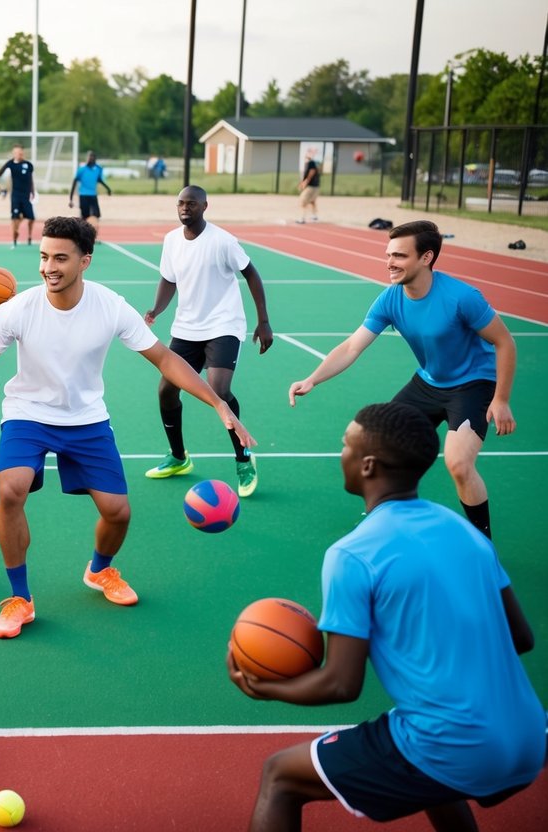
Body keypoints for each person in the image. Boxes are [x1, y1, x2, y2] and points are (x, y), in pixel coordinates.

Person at [227, 401, 542, 832]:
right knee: (417, 746)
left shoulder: (352, 555)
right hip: (527, 736)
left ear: (368, 465)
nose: (340, 454)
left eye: (345, 446)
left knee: (280, 775)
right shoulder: (463, 530)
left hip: (453, 745)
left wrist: (264, 688)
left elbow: (341, 683)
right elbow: (521, 637)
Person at [0, 217, 254, 639]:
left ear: (85, 261)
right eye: (44, 256)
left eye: (60, 258)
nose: (49, 266)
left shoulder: (110, 306)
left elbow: (164, 359)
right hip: (28, 413)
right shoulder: (19, 308)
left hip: (85, 419)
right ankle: (19, 599)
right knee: (11, 490)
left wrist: (216, 403)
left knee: (117, 513)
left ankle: (99, 570)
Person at [289, 220, 516, 539]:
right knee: (377, 442)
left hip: (472, 385)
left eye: (399, 256)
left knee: (459, 464)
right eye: (388, 254)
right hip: (427, 383)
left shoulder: (462, 297)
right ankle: (381, 514)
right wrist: (313, 379)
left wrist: (501, 399)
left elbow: (505, 342)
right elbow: (353, 346)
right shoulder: (390, 299)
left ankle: (482, 541)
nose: (390, 263)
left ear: (426, 258)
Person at [143, 185, 272, 497]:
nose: (185, 208)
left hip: (223, 324)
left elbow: (252, 274)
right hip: (186, 328)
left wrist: (263, 321)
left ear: (204, 206)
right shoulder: (171, 240)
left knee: (220, 390)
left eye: (191, 204)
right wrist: (156, 310)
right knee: (166, 390)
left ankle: (243, 458)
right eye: (180, 204)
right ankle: (178, 457)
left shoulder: (223, 241)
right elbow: (168, 280)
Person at [0, 144, 35, 248]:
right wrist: (1, 189)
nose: (19, 154)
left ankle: (30, 237)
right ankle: (14, 239)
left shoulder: (28, 165)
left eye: (21, 152)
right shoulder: (10, 164)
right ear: (14, 154)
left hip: (26, 196)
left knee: (31, 218)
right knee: (15, 218)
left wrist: (33, 192)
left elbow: (31, 179)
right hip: (16, 196)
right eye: (17, 153)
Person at [68, 151, 112, 230]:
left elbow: (99, 180)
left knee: (96, 215)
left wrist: (108, 189)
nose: (90, 159)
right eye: (89, 157)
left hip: (93, 195)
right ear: (87, 159)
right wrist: (71, 199)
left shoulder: (98, 169)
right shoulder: (81, 170)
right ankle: (83, 232)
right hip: (83, 195)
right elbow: (74, 183)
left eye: (92, 157)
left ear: (95, 159)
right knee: (85, 216)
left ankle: (94, 232)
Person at [297, 148, 320, 223]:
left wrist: (306, 182)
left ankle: (302, 218)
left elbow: (312, 172)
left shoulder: (311, 163)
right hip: (314, 186)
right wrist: (302, 182)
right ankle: (314, 216)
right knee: (312, 201)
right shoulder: (308, 163)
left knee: (302, 201)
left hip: (311, 186)